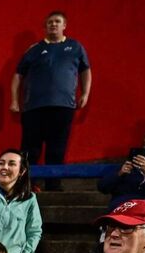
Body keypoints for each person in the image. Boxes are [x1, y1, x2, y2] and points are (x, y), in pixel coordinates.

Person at [11, 11, 92, 190]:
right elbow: (18, 75)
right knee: (30, 150)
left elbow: (85, 70)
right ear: (45, 27)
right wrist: (15, 101)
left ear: (64, 26)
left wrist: (85, 93)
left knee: (57, 149)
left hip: (63, 106)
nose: (53, 25)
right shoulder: (34, 50)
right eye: (50, 22)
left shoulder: (75, 47)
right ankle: (26, 186)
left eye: (57, 21)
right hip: (34, 107)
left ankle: (53, 187)